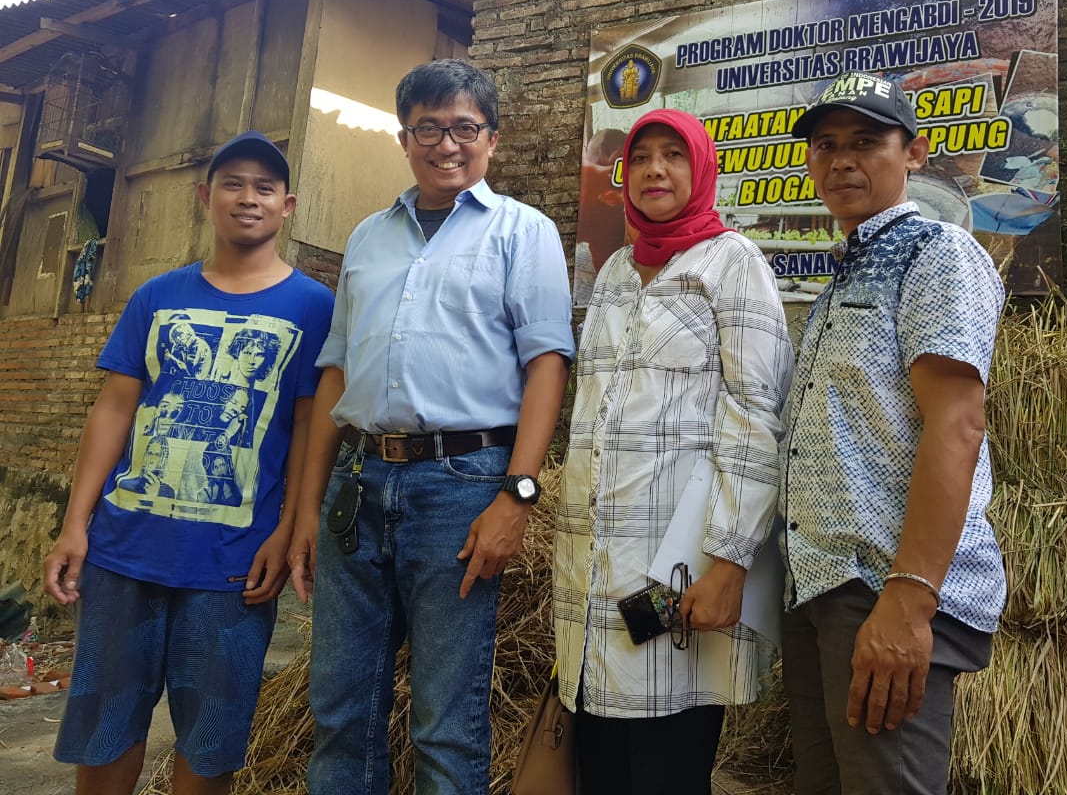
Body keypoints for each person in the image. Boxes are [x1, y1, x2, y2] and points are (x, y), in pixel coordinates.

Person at [288, 59, 574, 795]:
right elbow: (336, 373)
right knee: (341, 710)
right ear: (404, 137)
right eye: (429, 129)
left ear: (492, 139)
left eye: (464, 129)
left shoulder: (523, 231)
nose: (447, 145)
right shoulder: (368, 237)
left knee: (446, 722)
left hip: (462, 488)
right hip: (357, 482)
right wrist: (308, 510)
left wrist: (517, 495)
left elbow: (547, 365)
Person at [42, 130, 334, 795]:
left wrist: (289, 528)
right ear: (207, 197)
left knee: (211, 744)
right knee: (107, 728)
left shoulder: (314, 307)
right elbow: (114, 409)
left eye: (265, 188)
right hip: (125, 549)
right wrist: (74, 524)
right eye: (233, 183)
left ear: (287, 205)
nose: (248, 199)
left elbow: (312, 429)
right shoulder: (157, 297)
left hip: (233, 562)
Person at [777, 71, 1006, 795]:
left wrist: (909, 599)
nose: (843, 160)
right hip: (820, 582)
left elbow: (958, 422)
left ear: (914, 152)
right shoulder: (842, 275)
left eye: (867, 141)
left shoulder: (935, 252)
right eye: (826, 144)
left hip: (881, 586)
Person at [555, 108, 794, 795]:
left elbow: (758, 413)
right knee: (598, 758)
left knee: (665, 762)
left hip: (679, 568)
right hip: (593, 568)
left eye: (674, 155)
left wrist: (730, 560)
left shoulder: (732, 262)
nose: (655, 170)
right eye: (642, 157)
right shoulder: (617, 272)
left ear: (701, 169)